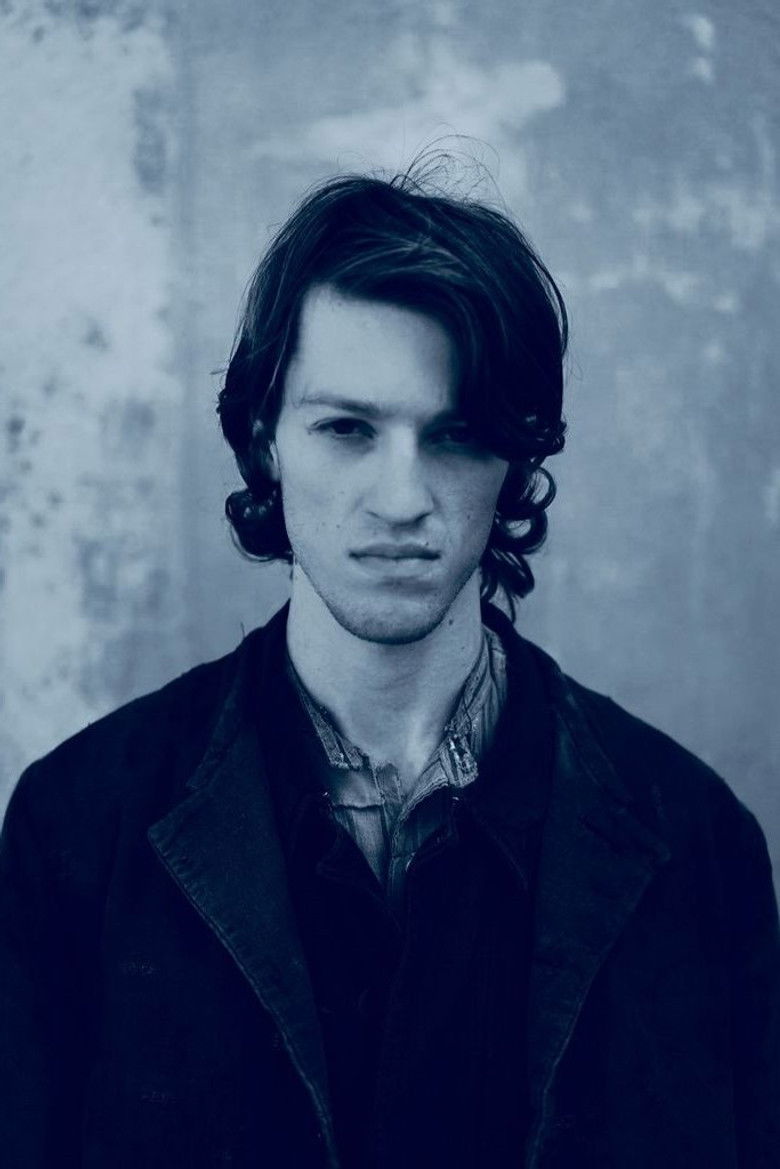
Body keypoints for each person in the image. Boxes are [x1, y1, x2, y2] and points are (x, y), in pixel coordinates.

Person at [1, 165, 778, 1169]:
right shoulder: (75, 824)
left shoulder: (700, 840)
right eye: (347, 428)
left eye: (455, 435)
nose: (402, 498)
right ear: (264, 441)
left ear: (516, 457)